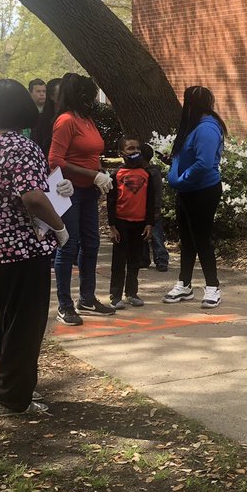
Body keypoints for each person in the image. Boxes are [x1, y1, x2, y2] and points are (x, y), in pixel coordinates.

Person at [0, 79, 69, 417]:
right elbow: (33, 198)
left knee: (4, 321)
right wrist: (60, 226)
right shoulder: (21, 146)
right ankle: (12, 399)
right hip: (19, 247)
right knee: (25, 323)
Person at [49, 72, 115, 324]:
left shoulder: (86, 119)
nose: (93, 100)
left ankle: (87, 298)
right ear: (80, 95)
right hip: (70, 192)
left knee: (91, 244)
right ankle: (64, 305)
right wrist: (92, 174)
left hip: (89, 192)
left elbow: (92, 152)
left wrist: (99, 175)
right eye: (89, 95)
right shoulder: (66, 121)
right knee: (69, 246)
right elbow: (54, 160)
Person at [164, 86, 227, 310]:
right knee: (187, 240)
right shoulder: (194, 127)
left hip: (203, 191)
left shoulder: (207, 128)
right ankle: (184, 284)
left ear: (190, 104)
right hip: (187, 192)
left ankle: (213, 287)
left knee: (202, 239)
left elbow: (205, 163)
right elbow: (191, 157)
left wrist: (180, 179)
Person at [108, 136, 156, 309]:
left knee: (135, 260)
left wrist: (150, 223)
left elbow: (151, 200)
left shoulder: (147, 173)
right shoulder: (116, 174)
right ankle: (115, 295)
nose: (135, 152)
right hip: (121, 224)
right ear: (122, 153)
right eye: (130, 149)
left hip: (140, 223)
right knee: (119, 261)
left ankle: (132, 293)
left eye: (137, 148)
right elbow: (111, 201)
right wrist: (112, 226)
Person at [140, 145, 171, 273]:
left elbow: (157, 192)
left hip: (152, 210)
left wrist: (156, 208)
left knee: (156, 236)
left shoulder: (153, 172)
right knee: (142, 236)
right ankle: (143, 259)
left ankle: (161, 259)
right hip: (140, 210)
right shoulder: (138, 172)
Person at [27, 78, 56, 155]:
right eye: (38, 91)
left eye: (44, 91)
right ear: (30, 93)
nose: (42, 94)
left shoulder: (52, 111)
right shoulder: (26, 111)